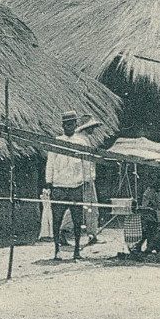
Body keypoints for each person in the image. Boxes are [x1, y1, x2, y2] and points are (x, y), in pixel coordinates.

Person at [44, 111, 90, 260]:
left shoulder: (81, 143)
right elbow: (50, 163)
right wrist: (49, 183)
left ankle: (77, 251)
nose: (69, 127)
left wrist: (87, 181)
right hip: (59, 186)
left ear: (76, 125)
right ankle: (57, 251)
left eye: (72, 124)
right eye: (66, 124)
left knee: (77, 221)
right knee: (57, 220)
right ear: (63, 126)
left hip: (76, 186)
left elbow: (86, 164)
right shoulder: (56, 141)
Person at [58, 115, 103, 246]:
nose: (93, 130)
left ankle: (90, 234)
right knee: (88, 207)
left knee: (84, 207)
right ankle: (68, 231)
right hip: (84, 179)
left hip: (85, 177)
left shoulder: (84, 139)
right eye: (91, 127)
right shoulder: (80, 140)